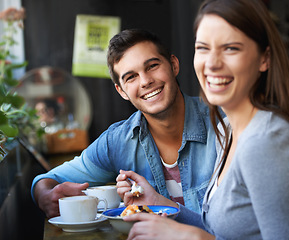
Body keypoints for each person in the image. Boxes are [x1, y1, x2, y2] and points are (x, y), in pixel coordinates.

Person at [116, 0, 289, 239]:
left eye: (231, 48)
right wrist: (158, 201)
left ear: (264, 59)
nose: (213, 63)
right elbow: (220, 230)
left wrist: (192, 238)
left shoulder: (266, 141)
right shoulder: (226, 130)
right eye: (203, 48)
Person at [31, 29, 218, 218]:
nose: (145, 81)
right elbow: (48, 180)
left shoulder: (224, 124)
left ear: (174, 65)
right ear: (121, 91)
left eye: (152, 66)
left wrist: (158, 203)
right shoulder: (118, 142)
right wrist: (45, 195)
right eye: (131, 77)